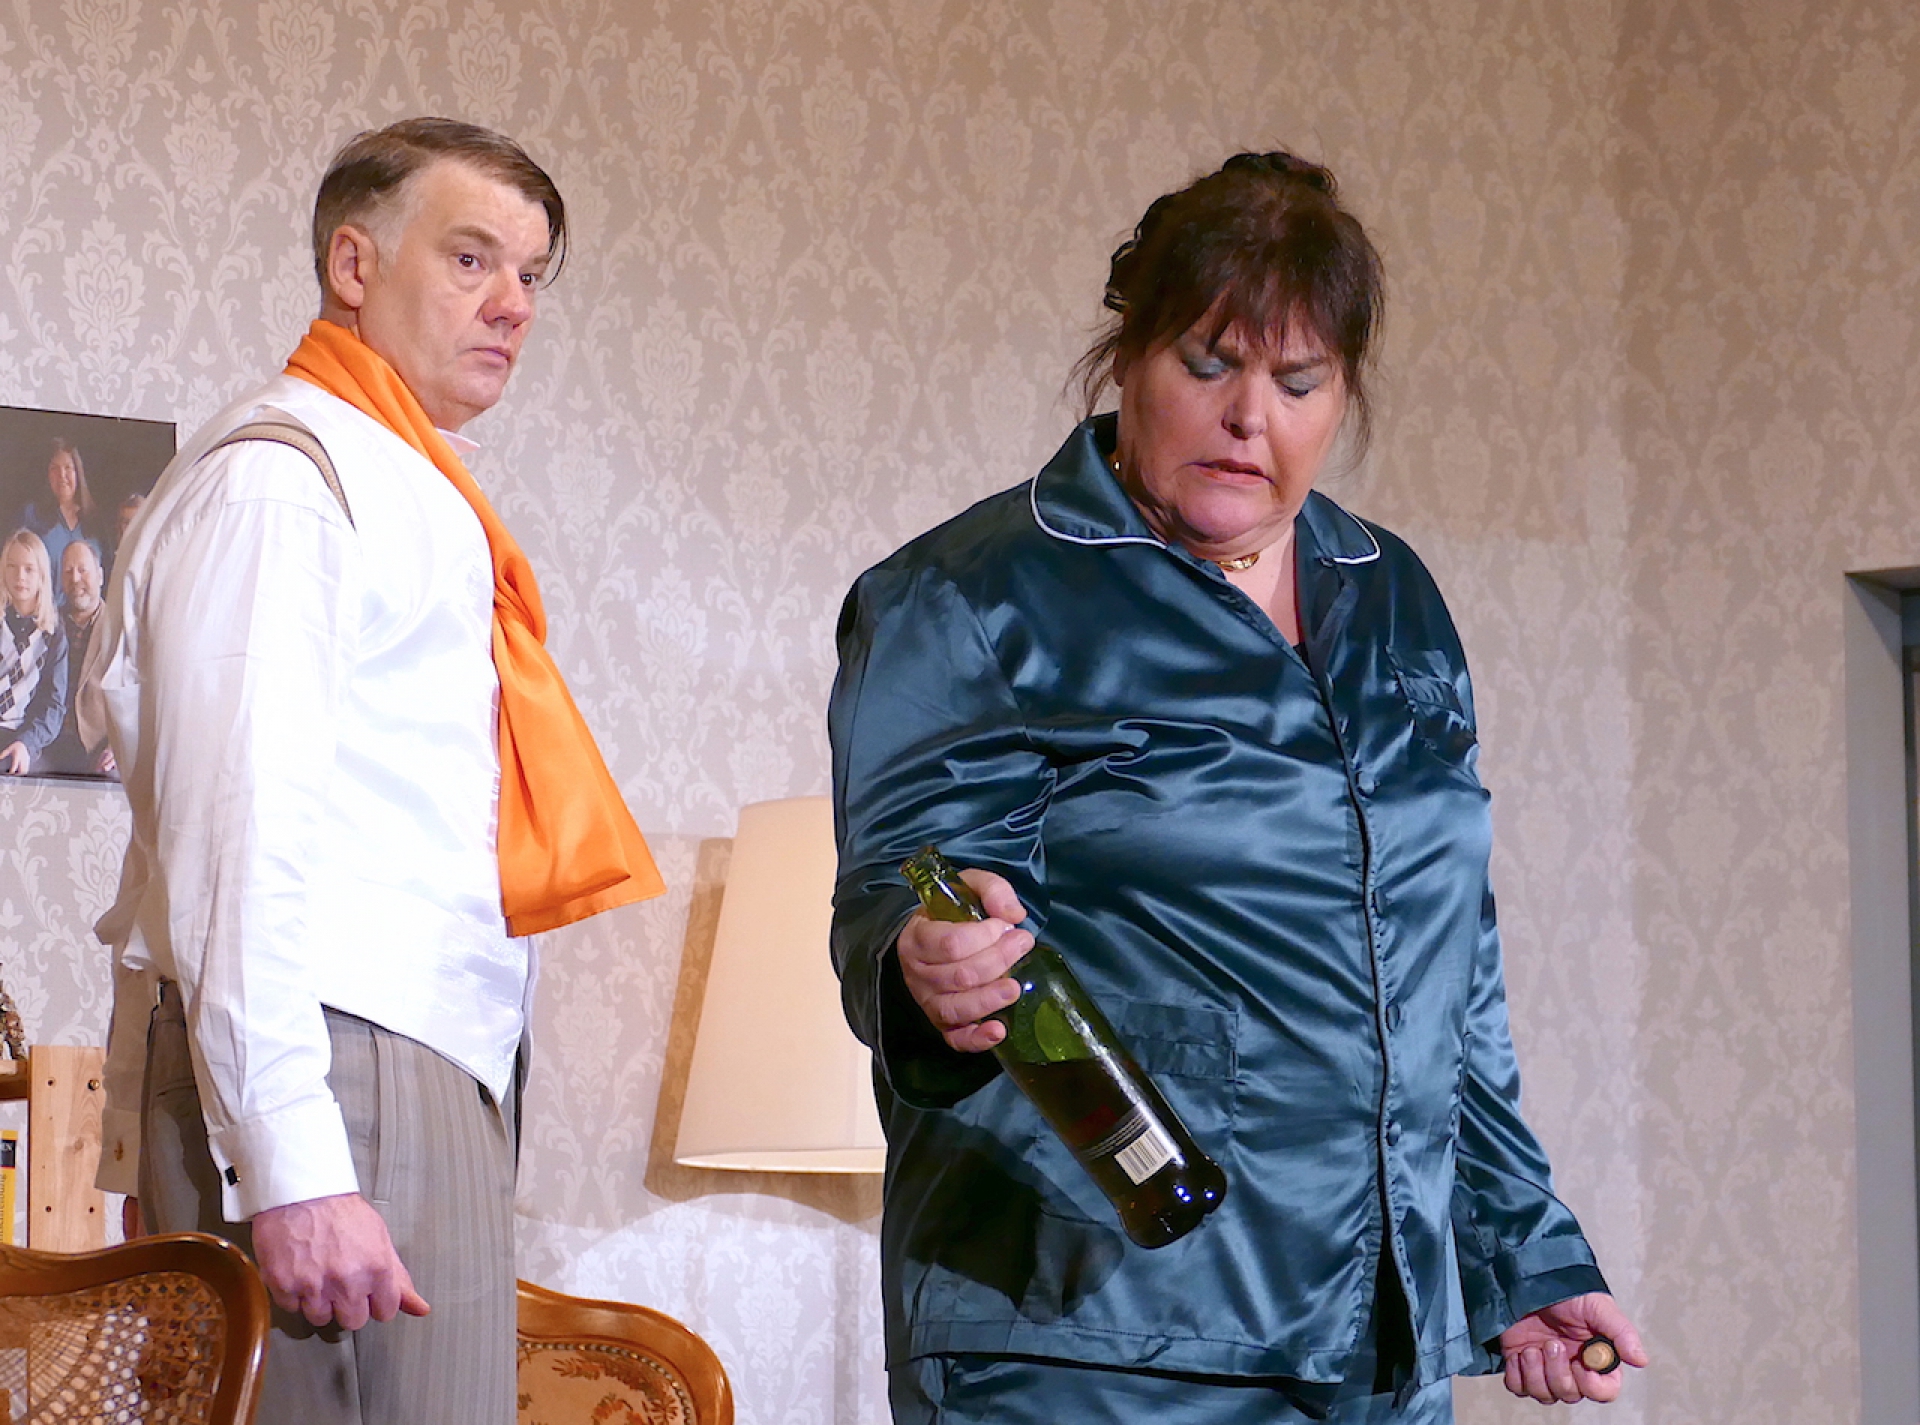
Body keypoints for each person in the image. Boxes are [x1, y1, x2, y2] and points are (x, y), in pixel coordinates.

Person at [829, 151, 1647, 1425]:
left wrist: (1519, 1256)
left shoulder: (1391, 592)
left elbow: (1451, 965)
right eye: (1208, 364)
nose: (1247, 416)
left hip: (1373, 1345)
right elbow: (899, 891)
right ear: (1128, 358)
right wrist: (921, 965)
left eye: (1298, 381)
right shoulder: (972, 594)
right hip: (1086, 1344)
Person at [91, 117, 664, 1425]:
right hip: (345, 1065)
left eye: (530, 273)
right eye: (471, 258)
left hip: (394, 1063)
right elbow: (238, 840)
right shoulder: (282, 485)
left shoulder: (394, 481)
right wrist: (294, 1167)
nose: (513, 304)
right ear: (354, 265)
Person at [41, 539, 113, 776]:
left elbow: (139, 695)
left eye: (83, 570)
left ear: (100, 576)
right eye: (68, 571)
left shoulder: (121, 628)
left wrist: (117, 746)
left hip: (97, 746)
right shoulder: (47, 624)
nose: (75, 578)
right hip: (48, 743)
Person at [0, 528, 67, 775]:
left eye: (29, 569)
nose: (20, 576)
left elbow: (54, 704)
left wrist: (27, 743)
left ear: (42, 576)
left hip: (20, 735)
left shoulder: (53, 632)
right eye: (12, 566)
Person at [22, 440, 98, 595]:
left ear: (78, 473)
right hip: (46, 608)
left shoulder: (93, 519)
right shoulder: (32, 516)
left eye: (68, 468)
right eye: (54, 469)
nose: (62, 475)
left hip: (87, 607)